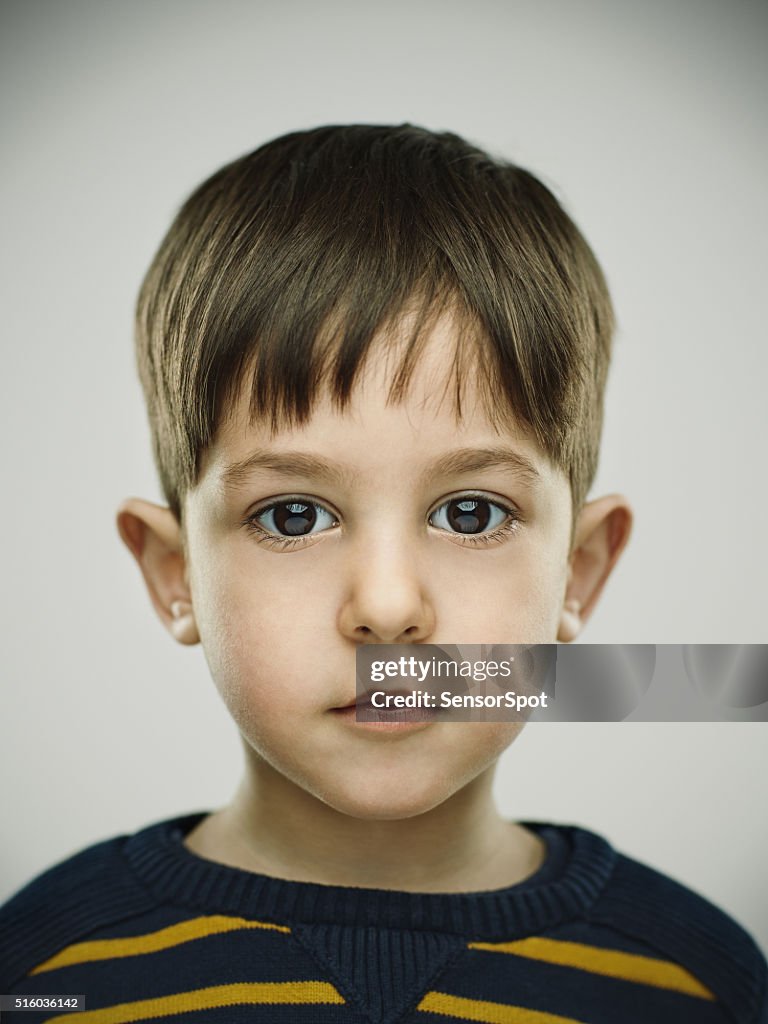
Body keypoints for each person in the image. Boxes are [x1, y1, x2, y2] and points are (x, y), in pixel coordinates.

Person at [0, 124, 764, 1024]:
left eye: (470, 514)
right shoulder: (46, 969)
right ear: (175, 574)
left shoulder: (692, 982)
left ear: (578, 573)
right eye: (294, 516)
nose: (390, 608)